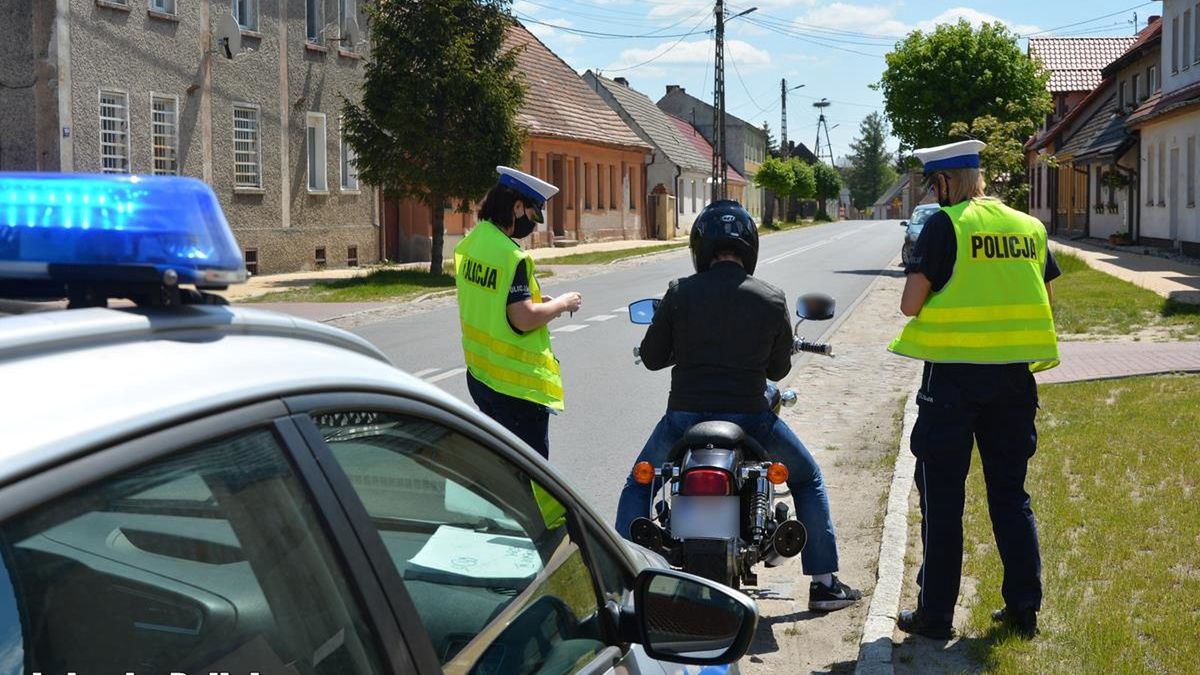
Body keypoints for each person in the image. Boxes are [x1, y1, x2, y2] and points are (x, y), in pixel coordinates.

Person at [613, 199, 862, 612]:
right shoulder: (771, 298)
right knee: (808, 479)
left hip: (684, 420)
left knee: (640, 483)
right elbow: (778, 370)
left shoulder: (679, 293)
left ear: (700, 248)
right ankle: (824, 584)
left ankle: (623, 584)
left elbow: (653, 358)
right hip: (752, 420)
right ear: (750, 248)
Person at [890, 140, 1060, 640]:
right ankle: (1024, 609)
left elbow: (910, 304)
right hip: (1014, 380)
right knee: (1010, 494)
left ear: (945, 181)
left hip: (953, 381)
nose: (933, 193)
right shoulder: (1028, 226)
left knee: (943, 498)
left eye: (933, 184)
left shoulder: (946, 225)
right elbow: (1046, 299)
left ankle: (935, 614)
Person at [453, 166, 583, 459]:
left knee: (499, 464)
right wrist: (563, 303)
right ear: (517, 207)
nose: (533, 225)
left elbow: (492, 299)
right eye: (534, 215)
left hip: (481, 375)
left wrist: (536, 302)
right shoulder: (511, 256)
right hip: (515, 388)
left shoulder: (472, 243)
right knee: (529, 472)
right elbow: (523, 319)